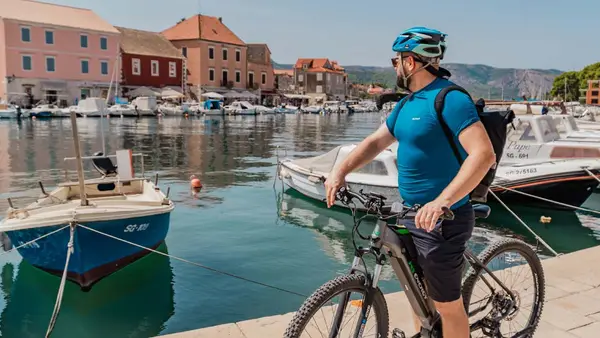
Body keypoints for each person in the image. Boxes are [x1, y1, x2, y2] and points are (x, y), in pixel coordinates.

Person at [324, 27, 496, 338]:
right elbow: (376, 143)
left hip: (444, 218)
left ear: (411, 63)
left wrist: (442, 200)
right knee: (419, 297)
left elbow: (483, 155)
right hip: (409, 213)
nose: (394, 66)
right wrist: (340, 171)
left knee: (447, 305)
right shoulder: (407, 104)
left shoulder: (450, 99)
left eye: (396, 60)